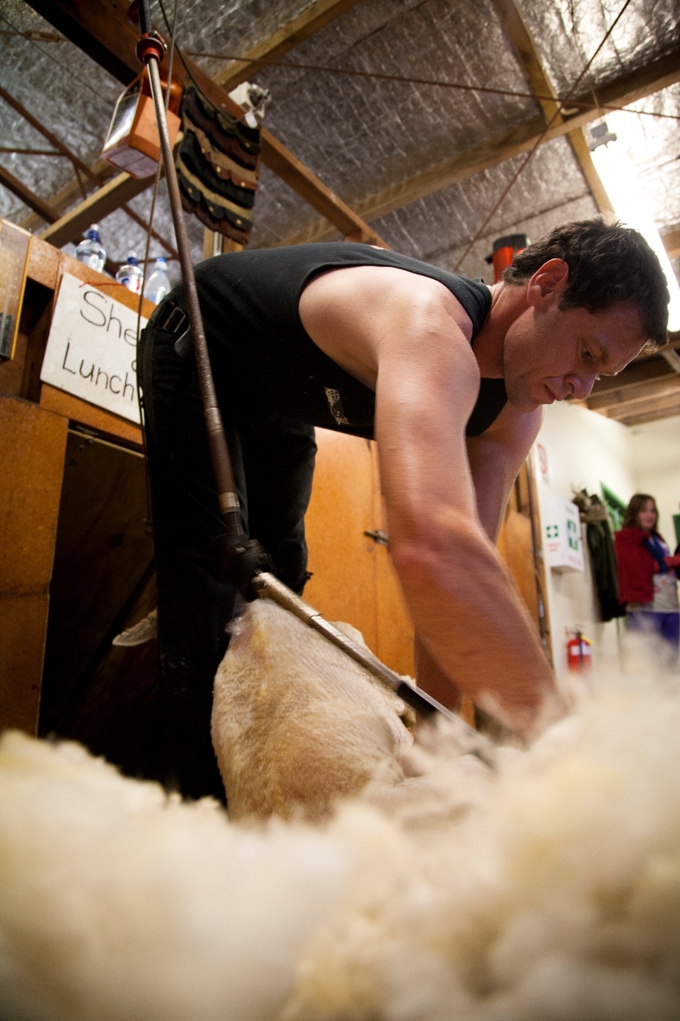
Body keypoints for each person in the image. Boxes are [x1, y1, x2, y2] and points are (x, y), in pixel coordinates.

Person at [139, 219, 669, 800]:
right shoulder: (427, 323)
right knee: (208, 595)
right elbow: (432, 552)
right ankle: (200, 817)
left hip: (285, 396)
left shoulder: (513, 413)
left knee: (279, 588)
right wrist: (558, 738)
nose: (583, 388)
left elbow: (463, 575)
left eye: (601, 373)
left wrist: (436, 742)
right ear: (547, 284)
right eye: (587, 353)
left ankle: (263, 791)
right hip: (202, 345)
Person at [615, 494, 680, 657]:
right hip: (644, 609)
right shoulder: (626, 539)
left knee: (671, 662)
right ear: (634, 513)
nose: (650, 515)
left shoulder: (657, 538)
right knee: (648, 663)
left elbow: (664, 568)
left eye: (652, 511)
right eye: (644, 511)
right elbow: (639, 568)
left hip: (670, 607)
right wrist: (673, 561)